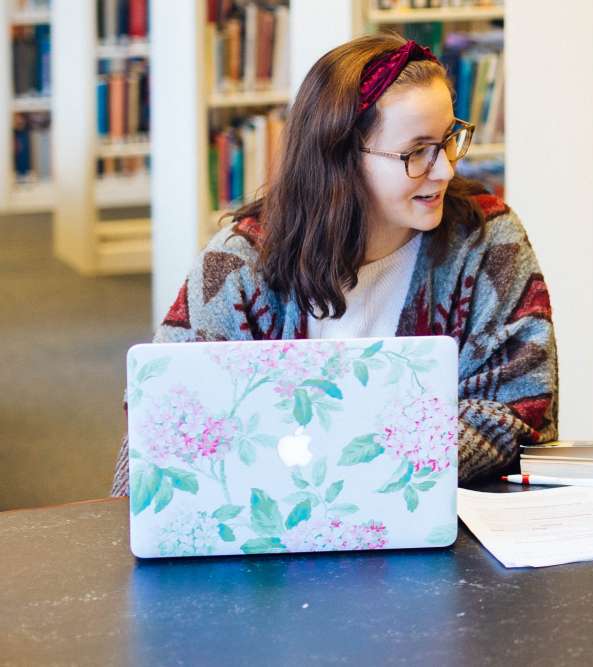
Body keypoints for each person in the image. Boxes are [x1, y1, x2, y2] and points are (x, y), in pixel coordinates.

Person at [110, 34, 557, 495]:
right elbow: (162, 424)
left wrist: (334, 460)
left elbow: (522, 407)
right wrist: (390, 450)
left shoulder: (485, 237)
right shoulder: (238, 264)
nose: (444, 170)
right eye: (417, 152)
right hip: (266, 542)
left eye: (447, 141)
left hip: (448, 537)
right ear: (341, 158)